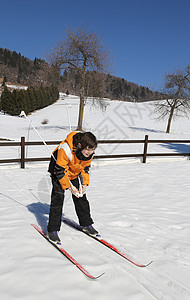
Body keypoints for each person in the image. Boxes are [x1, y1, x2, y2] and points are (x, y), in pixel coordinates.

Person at [47, 131, 98, 244]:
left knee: (81, 197)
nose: (90, 152)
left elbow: (84, 169)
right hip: (58, 172)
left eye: (92, 149)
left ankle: (86, 224)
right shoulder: (65, 149)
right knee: (58, 199)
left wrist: (84, 184)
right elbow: (60, 170)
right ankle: (52, 230)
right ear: (80, 146)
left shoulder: (88, 153)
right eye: (88, 149)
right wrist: (70, 187)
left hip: (73, 172)